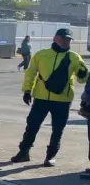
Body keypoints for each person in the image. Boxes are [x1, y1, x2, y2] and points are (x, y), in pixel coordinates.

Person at [11, 27, 88, 166]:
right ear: (55, 38)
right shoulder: (41, 55)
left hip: (62, 100)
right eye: (64, 38)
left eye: (69, 40)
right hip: (41, 98)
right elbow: (31, 73)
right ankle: (23, 152)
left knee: (58, 129)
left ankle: (50, 156)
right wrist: (27, 91)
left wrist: (83, 74)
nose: (66, 42)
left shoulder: (74, 57)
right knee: (32, 126)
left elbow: (83, 78)